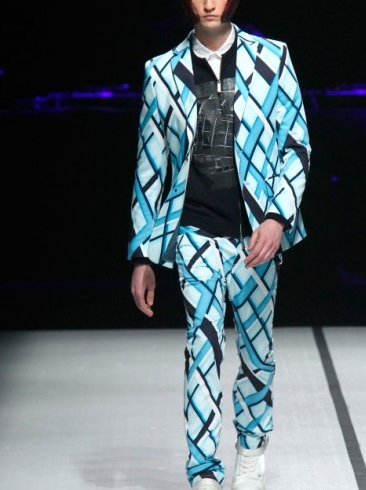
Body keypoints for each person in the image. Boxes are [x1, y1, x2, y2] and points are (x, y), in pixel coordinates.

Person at [128, 0, 311, 488]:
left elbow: (296, 145)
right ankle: (204, 474)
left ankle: (250, 449)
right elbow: (150, 166)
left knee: (257, 352)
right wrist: (144, 254)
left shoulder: (272, 57)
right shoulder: (161, 72)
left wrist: (276, 218)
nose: (208, 2)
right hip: (194, 232)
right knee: (201, 351)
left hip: (256, 235)